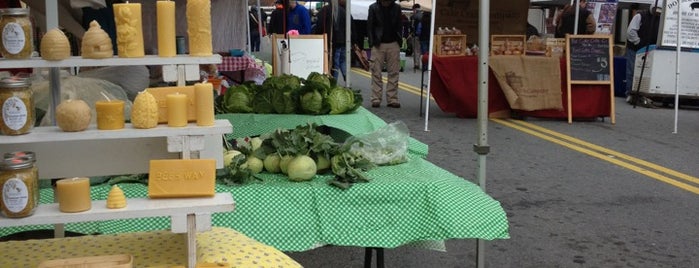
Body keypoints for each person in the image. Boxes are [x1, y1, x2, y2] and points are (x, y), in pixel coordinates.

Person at [367, 0, 402, 108]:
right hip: (378, 44)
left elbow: (399, 25)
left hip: (393, 43)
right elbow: (370, 26)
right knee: (376, 72)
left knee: (394, 72)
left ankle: (392, 99)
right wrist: (372, 43)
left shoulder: (397, 8)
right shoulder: (373, 7)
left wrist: (399, 41)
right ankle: (376, 98)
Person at [625, 2, 662, 102]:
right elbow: (630, 31)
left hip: (650, 49)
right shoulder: (640, 16)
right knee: (632, 71)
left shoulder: (661, 19)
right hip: (635, 48)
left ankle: (642, 93)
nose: (657, 14)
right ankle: (630, 92)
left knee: (646, 71)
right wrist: (638, 42)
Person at [313, 0, 354, 83]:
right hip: (343, 41)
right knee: (342, 61)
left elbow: (319, 26)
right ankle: (347, 78)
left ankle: (333, 82)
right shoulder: (344, 11)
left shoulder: (325, 10)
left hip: (333, 41)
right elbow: (351, 26)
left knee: (334, 64)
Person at [410, 4, 423, 70]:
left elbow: (412, 26)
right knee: (420, 50)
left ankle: (416, 64)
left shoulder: (413, 17)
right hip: (422, 36)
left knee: (415, 50)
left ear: (414, 9)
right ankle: (423, 64)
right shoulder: (423, 15)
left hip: (415, 35)